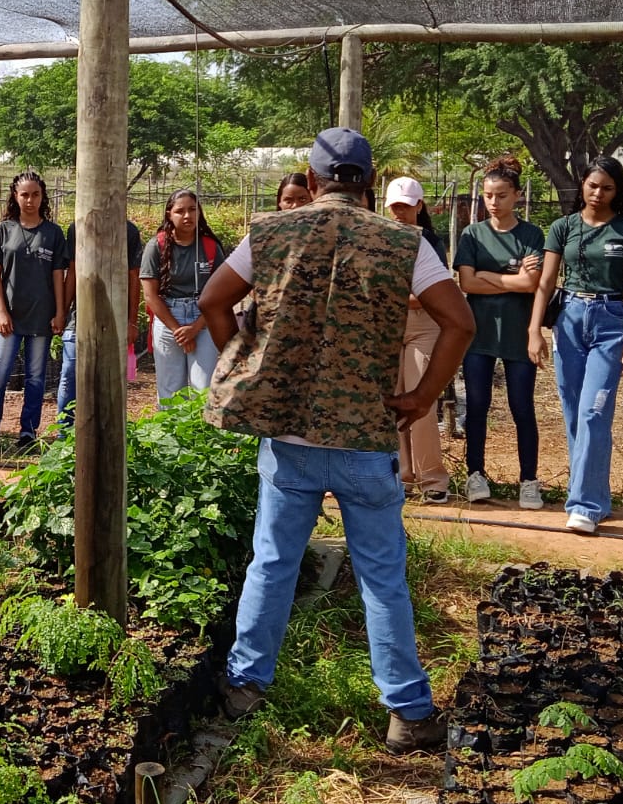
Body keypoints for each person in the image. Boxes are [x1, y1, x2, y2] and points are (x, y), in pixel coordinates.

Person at [198, 128, 473, 749]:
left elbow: (216, 301)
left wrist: (249, 366)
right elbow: (459, 322)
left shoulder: (271, 231)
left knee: (272, 561)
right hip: (365, 438)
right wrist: (424, 395)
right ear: (370, 182)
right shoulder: (405, 242)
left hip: (290, 435)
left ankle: (245, 687)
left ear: (313, 177)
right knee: (382, 575)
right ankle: (408, 711)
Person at [528, 157, 623, 533]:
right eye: (593, 185)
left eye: (608, 188)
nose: (598, 193)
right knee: (573, 412)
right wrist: (535, 330)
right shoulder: (563, 227)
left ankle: (583, 504)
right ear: (582, 185)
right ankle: (597, 499)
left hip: (611, 318)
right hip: (570, 318)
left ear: (618, 191)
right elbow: (546, 283)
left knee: (595, 412)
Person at [454, 156, 544, 508]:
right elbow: (466, 282)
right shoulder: (472, 234)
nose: (494, 202)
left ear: (517, 196)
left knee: (522, 406)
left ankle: (529, 480)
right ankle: (475, 474)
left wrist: (487, 278)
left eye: (502, 195)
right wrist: (511, 279)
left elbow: (531, 284)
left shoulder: (532, 234)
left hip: (519, 335)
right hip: (478, 336)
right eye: (488, 196)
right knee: (477, 405)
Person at [0, 172, 67, 455]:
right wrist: (1, 312)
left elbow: (59, 275)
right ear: (15, 197)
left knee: (35, 378)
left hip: (41, 316)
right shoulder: (4, 230)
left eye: (35, 194)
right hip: (10, 317)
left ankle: (27, 433)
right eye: (24, 195)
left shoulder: (53, 233)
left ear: (42, 197)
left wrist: (60, 312)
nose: (30, 200)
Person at [385, 177, 451, 505]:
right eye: (395, 206)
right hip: (389, 326)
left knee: (421, 401)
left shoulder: (432, 243)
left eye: (406, 206)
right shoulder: (381, 240)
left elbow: (430, 296)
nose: (400, 212)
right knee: (392, 399)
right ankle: (402, 475)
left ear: (419, 207)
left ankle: (432, 478)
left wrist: (394, 294)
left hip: (424, 327)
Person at [55, 217, 143, 428]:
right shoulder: (77, 227)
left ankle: (106, 429)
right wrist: (63, 313)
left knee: (109, 380)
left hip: (115, 320)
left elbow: (134, 277)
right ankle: (64, 434)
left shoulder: (128, 231)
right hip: (80, 319)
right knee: (69, 375)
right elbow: (73, 272)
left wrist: (131, 322)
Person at [141, 189, 227, 401]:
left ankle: (202, 434)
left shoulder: (210, 247)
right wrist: (178, 330)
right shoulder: (157, 246)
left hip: (204, 319)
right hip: (168, 317)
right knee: (171, 391)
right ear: (169, 214)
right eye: (180, 211)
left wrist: (196, 327)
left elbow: (223, 293)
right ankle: (172, 433)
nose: (187, 216)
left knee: (203, 389)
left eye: (192, 210)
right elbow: (151, 296)